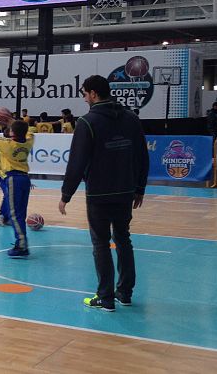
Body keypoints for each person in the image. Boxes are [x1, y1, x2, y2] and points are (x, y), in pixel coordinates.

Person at [58, 75, 148, 312]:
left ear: (93, 94)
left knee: (100, 243)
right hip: (125, 191)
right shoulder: (131, 118)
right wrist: (140, 187)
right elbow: (142, 155)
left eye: (84, 93)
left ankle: (105, 297)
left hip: (99, 193)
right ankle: (125, 293)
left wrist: (66, 194)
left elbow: (77, 162)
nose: (84, 98)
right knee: (123, 239)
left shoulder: (87, 122)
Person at [0, 118, 34, 257]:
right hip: (25, 179)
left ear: (12, 133)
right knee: (20, 214)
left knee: (14, 215)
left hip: (13, 179)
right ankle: (21, 243)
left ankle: (22, 245)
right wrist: (13, 121)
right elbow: (30, 133)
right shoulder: (29, 142)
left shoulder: (8, 145)